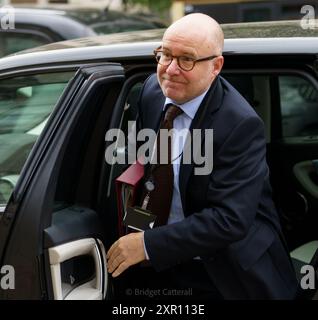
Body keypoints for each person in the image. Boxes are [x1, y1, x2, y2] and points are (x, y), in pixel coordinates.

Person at [106, 13, 298, 299]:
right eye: (165, 54)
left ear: (215, 66)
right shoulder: (151, 91)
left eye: (186, 59)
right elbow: (153, 175)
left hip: (225, 272)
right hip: (163, 264)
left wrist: (147, 244)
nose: (170, 69)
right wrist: (139, 232)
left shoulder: (239, 125)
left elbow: (228, 219)